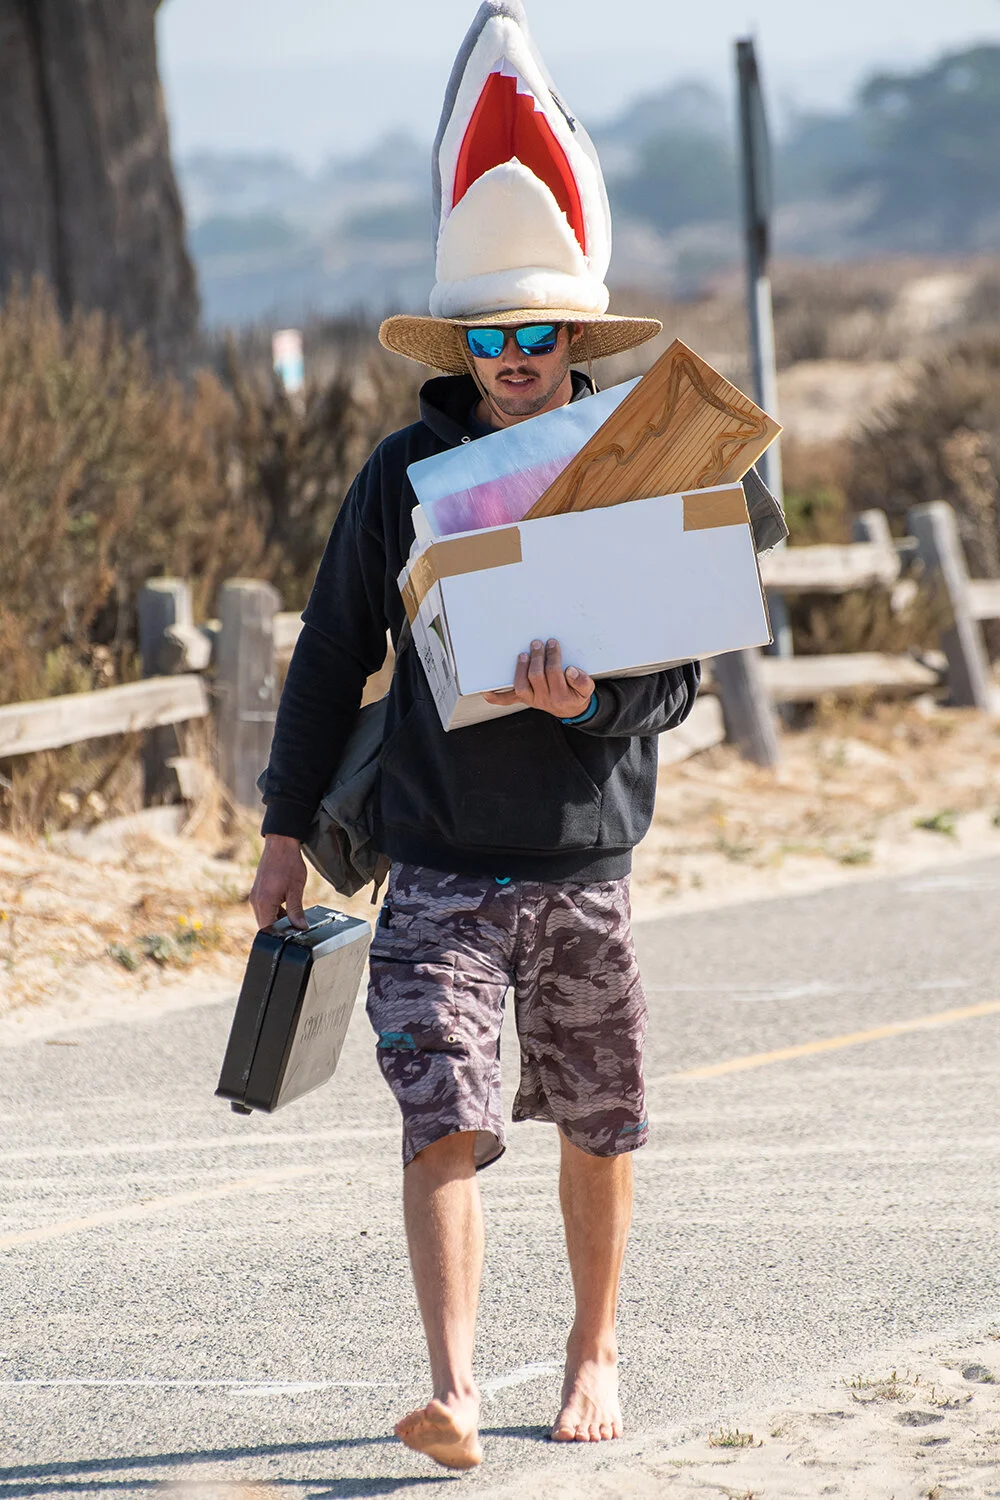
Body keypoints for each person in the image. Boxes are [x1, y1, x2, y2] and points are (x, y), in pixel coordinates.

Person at [250, 0, 701, 1472]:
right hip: (435, 862)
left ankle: (592, 1349)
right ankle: (449, 1387)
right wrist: (277, 833)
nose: (517, 353)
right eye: (494, 331)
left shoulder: (630, 468)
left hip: (581, 856)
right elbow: (332, 656)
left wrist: (598, 702)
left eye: (541, 331)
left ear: (575, 336)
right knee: (437, 1107)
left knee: (596, 1115)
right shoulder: (403, 469)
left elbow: (677, 676)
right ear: (467, 339)